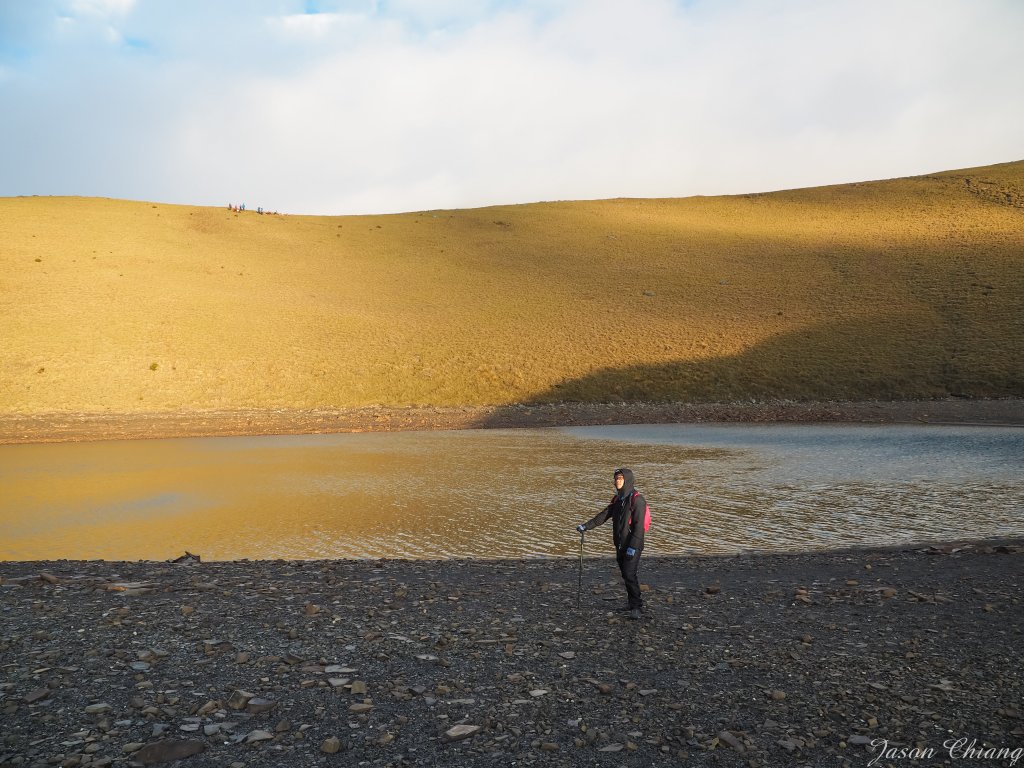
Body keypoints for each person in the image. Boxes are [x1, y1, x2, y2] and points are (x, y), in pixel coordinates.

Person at [576, 467, 646, 620]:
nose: (617, 481)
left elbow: (639, 527)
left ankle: (637, 607)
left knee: (629, 574)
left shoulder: (637, 500)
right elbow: (604, 516)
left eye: (620, 478)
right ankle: (631, 602)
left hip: (632, 545)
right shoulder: (618, 500)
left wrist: (632, 548)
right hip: (620, 544)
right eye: (615, 478)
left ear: (627, 480)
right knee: (625, 574)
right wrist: (585, 526)